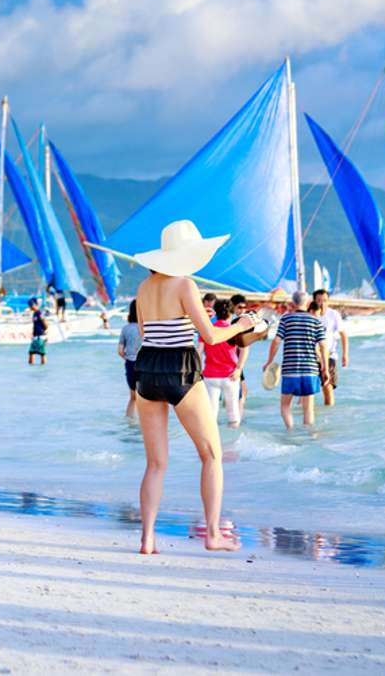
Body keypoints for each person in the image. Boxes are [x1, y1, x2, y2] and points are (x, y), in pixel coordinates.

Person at [131, 220, 265, 554]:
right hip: (180, 369)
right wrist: (243, 325)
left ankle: (147, 539)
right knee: (211, 455)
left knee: (155, 463)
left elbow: (146, 334)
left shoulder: (144, 288)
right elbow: (209, 336)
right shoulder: (186, 285)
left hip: (147, 368)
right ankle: (213, 534)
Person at [265, 290, 326, 429]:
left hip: (290, 370)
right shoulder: (316, 320)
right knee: (308, 409)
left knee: (285, 406)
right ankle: (307, 437)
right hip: (311, 370)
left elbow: (276, 341)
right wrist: (325, 368)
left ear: (293, 302)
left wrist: (269, 361)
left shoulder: (286, 319)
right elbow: (323, 345)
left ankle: (291, 432)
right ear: (308, 302)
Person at [202, 299, 246, 427]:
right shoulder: (234, 330)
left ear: (215, 313)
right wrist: (239, 368)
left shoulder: (208, 330)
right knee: (233, 415)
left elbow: (199, 351)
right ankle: (234, 445)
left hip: (210, 375)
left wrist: (197, 370)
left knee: (210, 415)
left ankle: (213, 445)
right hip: (230, 376)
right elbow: (244, 349)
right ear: (231, 313)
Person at [311, 289, 347, 406]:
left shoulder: (333, 315)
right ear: (314, 301)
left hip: (329, 355)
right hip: (311, 356)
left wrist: (345, 354)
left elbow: (343, 334)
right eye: (319, 300)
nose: (322, 303)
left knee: (327, 387)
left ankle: (328, 416)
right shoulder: (311, 315)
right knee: (307, 391)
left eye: (325, 300)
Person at [117, 300, 142, 417]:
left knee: (133, 398)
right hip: (146, 364)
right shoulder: (146, 328)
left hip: (130, 364)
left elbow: (120, 351)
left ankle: (130, 425)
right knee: (147, 398)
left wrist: (129, 358)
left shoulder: (125, 329)